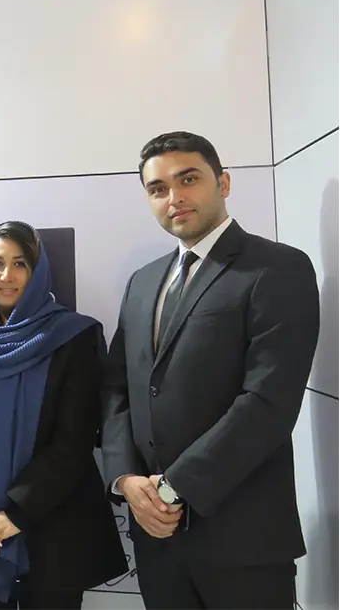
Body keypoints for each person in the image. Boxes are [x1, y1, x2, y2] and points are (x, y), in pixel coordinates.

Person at [101, 131, 321, 610]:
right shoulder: (143, 282)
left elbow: (268, 402)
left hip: (243, 541)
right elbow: (117, 388)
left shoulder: (277, 268)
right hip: (157, 540)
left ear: (223, 183)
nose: (174, 197)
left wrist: (172, 488)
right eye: (158, 188)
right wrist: (125, 479)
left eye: (188, 179)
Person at [0, 221, 127, 610]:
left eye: (20, 263)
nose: (7, 275)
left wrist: (17, 512)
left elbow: (74, 441)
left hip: (52, 535)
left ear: (37, 271)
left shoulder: (74, 337)